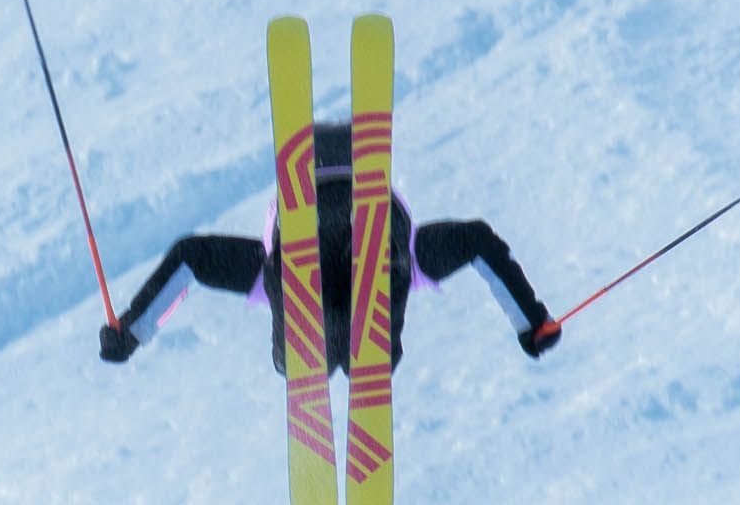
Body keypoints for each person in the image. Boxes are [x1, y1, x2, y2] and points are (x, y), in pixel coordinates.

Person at [98, 119, 556, 366]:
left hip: (317, 235)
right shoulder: (414, 256)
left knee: (301, 316)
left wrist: (131, 332)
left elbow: (189, 258)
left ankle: (324, 332)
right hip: (364, 230)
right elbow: (480, 241)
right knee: (379, 285)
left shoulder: (269, 269)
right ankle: (354, 327)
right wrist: (532, 323)